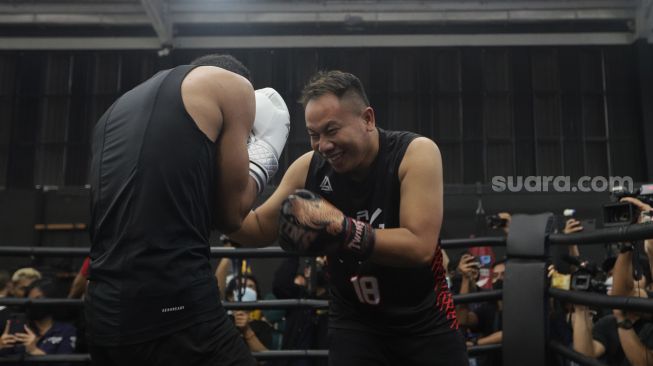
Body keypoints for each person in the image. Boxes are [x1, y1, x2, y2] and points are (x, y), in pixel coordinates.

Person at [231, 70, 467, 365]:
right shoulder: (310, 168)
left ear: (368, 119)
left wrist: (343, 230)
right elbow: (253, 228)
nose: (323, 145)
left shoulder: (414, 154)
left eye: (332, 130)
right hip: (355, 323)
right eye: (314, 135)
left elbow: (419, 246)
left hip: (424, 320)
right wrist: (213, 189)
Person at [87, 54, 290, 366]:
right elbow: (231, 216)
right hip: (175, 307)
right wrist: (264, 154)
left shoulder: (115, 112)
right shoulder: (235, 87)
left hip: (102, 315)